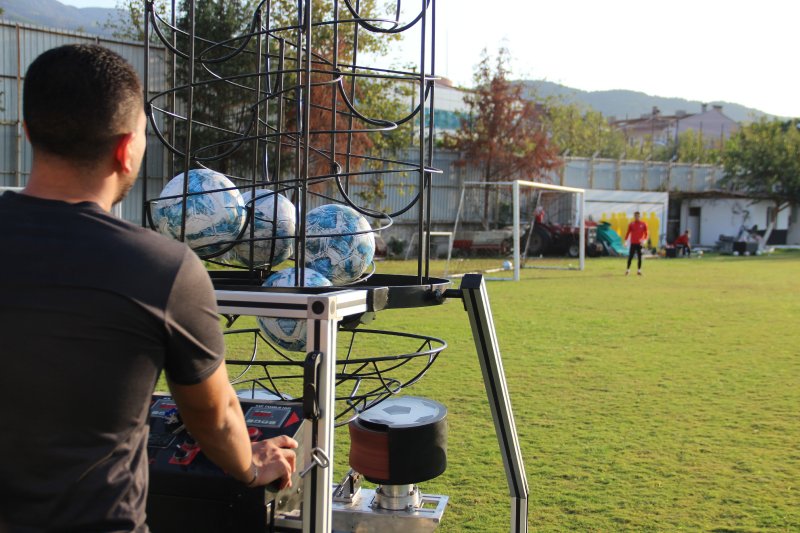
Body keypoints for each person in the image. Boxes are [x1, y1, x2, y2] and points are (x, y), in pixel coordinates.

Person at [0, 44, 297, 532]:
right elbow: (213, 413)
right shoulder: (163, 268)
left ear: (29, 132)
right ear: (126, 149)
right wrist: (250, 465)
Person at [624, 211, 649, 275]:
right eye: (636, 216)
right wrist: (626, 241)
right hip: (633, 243)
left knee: (640, 257)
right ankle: (628, 270)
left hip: (640, 243)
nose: (637, 217)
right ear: (634, 216)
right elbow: (628, 232)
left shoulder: (643, 224)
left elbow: (646, 233)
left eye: (638, 216)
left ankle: (639, 271)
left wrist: (645, 240)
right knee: (630, 256)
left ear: (640, 216)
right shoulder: (631, 224)